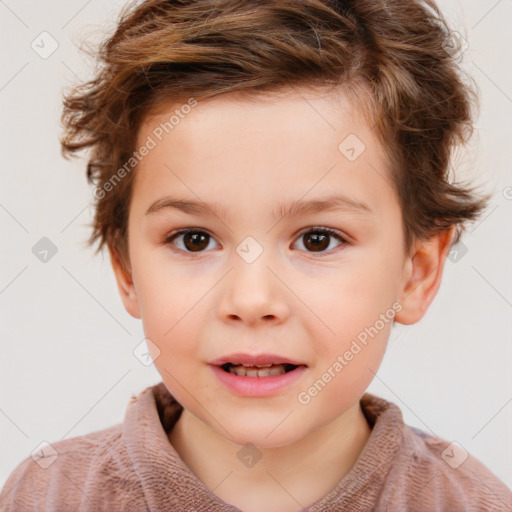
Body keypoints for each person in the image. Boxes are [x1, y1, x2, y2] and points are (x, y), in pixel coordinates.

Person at [1, 0, 511, 510]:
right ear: (126, 269)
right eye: (194, 239)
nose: (251, 300)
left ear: (416, 274)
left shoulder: (474, 503)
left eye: (317, 239)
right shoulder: (47, 496)